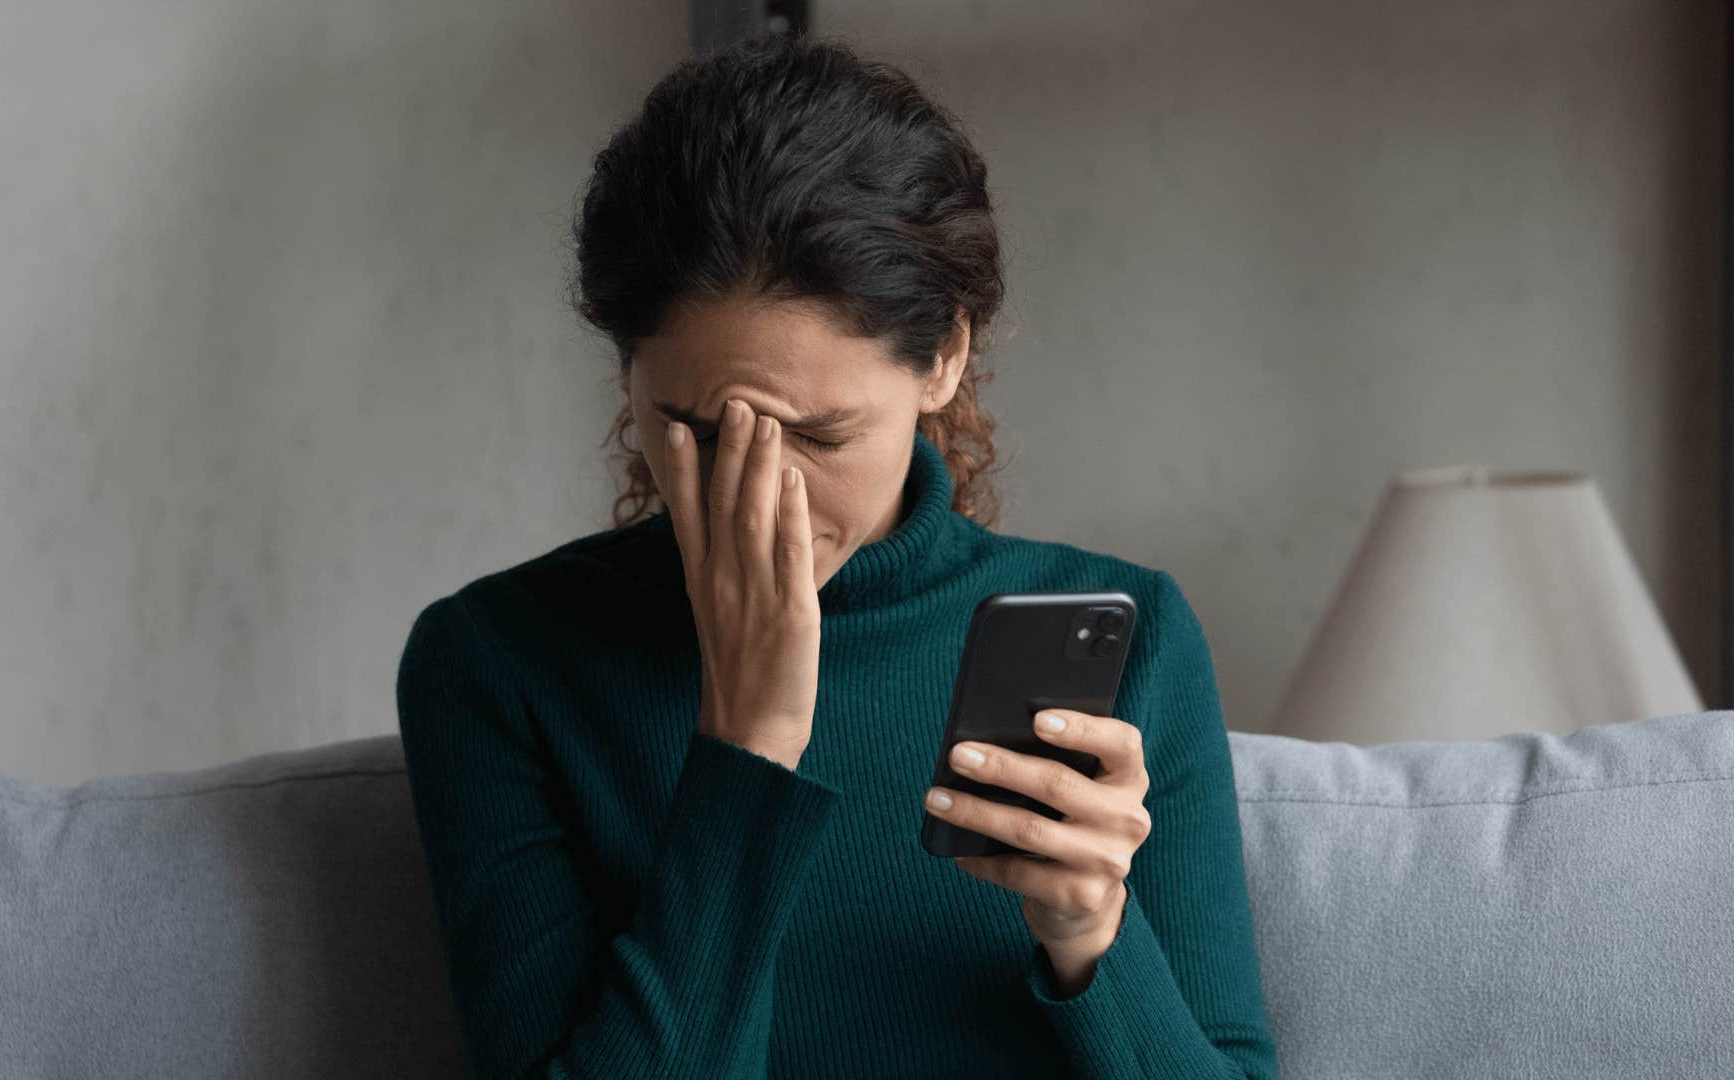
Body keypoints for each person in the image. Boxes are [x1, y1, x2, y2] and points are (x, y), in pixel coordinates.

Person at [395, 31, 1277, 1079]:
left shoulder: (1133, 633)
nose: (763, 492)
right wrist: (746, 749)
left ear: (943, 359)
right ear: (628, 373)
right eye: (701, 428)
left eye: (817, 437)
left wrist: (1092, 935)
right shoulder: (501, 663)